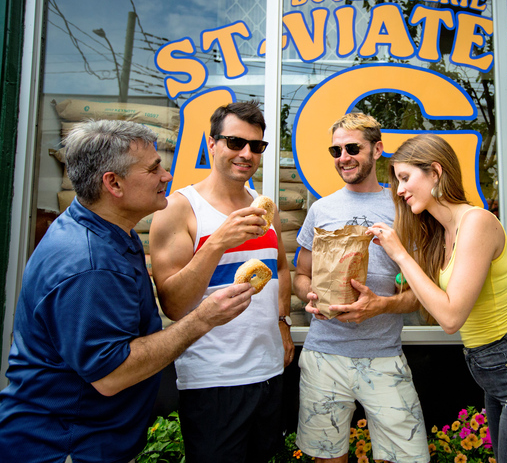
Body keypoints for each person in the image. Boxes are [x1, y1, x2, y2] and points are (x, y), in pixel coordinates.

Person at [0, 120, 256, 463]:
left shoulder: (109, 230)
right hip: (65, 447)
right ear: (113, 183)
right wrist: (204, 318)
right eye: (154, 168)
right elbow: (112, 374)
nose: (166, 176)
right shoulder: (90, 265)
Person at [368, 134, 507, 463]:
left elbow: (450, 318)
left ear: (435, 172)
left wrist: (401, 255)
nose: (400, 190)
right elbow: (434, 298)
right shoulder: (443, 233)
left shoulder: (476, 222)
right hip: (497, 374)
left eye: (405, 178)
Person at [149, 100, 294, 463]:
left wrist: (282, 321)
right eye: (234, 142)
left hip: (269, 372)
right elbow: (174, 304)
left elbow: (282, 269)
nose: (246, 153)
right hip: (213, 378)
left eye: (256, 146)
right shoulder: (179, 208)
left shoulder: (263, 207)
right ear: (211, 143)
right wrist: (217, 243)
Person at [293, 112, 429, 463]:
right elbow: (300, 274)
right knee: (327, 458)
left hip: (384, 355)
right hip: (324, 355)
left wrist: (381, 305)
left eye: (352, 148)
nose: (343, 158)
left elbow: (422, 293)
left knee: (408, 457)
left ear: (377, 149)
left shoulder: (405, 208)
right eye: (335, 151)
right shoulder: (321, 209)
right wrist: (308, 294)